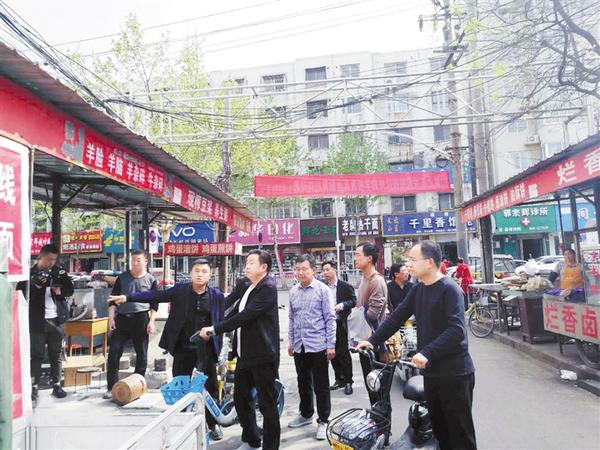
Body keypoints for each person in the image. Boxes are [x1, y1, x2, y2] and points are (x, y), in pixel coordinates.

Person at [356, 240, 476, 450]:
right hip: (431, 373)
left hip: (454, 374)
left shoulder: (450, 289)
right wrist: (372, 340)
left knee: (460, 435)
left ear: (429, 262)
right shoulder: (419, 289)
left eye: (412, 259)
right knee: (440, 432)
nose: (408, 264)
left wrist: (427, 352)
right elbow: (397, 317)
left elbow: (456, 330)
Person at [109, 258, 225, 441]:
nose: (200, 274)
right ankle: (183, 422)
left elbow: (223, 321)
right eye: (197, 271)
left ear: (210, 274)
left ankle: (213, 423)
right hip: (183, 347)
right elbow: (155, 295)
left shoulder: (216, 296)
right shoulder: (180, 291)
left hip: (206, 350)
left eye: (204, 271)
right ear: (191, 273)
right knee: (180, 386)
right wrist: (128, 297)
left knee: (210, 386)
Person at [199, 250, 280, 450]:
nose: (247, 266)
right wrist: (214, 323)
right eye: (247, 262)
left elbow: (246, 316)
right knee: (241, 399)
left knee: (267, 405)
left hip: (263, 356)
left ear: (264, 267)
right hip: (245, 355)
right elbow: (235, 310)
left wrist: (215, 329)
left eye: (252, 262)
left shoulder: (267, 287)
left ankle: (270, 447)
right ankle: (252, 439)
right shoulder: (249, 285)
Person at [286, 254, 336, 440]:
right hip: (300, 345)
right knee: (303, 381)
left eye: (304, 269)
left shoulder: (323, 290)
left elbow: (330, 318)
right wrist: (291, 341)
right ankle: (306, 413)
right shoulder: (293, 291)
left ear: (313, 270)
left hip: (318, 345)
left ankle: (324, 420)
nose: (300, 273)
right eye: (297, 269)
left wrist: (330, 344)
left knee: (321, 385)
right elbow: (292, 318)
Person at [17, 244, 74, 402]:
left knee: (56, 354)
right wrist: (36, 285)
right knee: (36, 355)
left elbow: (70, 289)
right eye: (48, 259)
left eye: (54, 260)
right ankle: (34, 386)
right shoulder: (30, 273)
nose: (51, 263)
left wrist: (60, 291)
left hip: (57, 319)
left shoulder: (59, 272)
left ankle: (57, 384)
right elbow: (21, 293)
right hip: (37, 320)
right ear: (40, 257)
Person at [104, 250, 157, 399]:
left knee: (142, 353)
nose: (134, 263)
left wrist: (152, 322)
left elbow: (155, 303)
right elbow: (112, 301)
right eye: (132, 260)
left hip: (141, 318)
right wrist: (111, 318)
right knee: (114, 352)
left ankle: (137, 386)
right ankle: (111, 387)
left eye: (138, 260)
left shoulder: (151, 280)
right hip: (122, 318)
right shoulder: (122, 278)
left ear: (146, 261)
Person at [354, 242, 388, 405]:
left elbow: (373, 314)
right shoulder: (364, 278)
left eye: (357, 255)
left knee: (378, 387)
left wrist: (355, 314)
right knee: (371, 385)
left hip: (374, 342)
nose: (355, 258)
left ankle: (381, 417)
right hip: (365, 340)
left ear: (369, 258)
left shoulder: (376, 281)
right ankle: (375, 415)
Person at [322, 260, 356, 395]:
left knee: (343, 352)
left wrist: (343, 305)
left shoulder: (345, 286)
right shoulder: (322, 287)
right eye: (323, 270)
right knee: (331, 353)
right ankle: (339, 379)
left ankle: (348, 381)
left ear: (334, 270)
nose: (325, 273)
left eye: (327, 269)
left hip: (340, 323)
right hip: (326, 325)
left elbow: (354, 301)